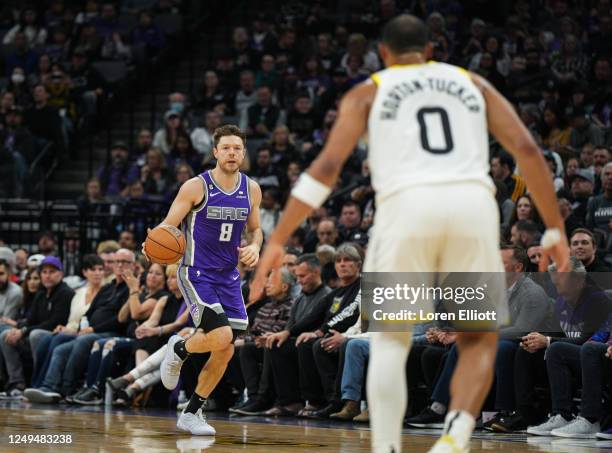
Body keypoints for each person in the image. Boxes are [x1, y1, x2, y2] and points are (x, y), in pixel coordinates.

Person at [253, 14, 569, 453]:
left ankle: (385, 447)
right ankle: (456, 434)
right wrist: (555, 226)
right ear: (431, 52)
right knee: (478, 338)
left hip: (405, 209)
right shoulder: (471, 83)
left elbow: (324, 171)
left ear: (382, 53)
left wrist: (277, 238)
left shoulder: (369, 90)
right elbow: (529, 151)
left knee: (389, 341)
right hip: (470, 208)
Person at [146, 125, 262, 435]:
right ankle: (180, 349)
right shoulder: (196, 187)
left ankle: (192, 412)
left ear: (243, 152)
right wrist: (156, 241)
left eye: (237, 148)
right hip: (196, 273)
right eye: (226, 148)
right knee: (222, 336)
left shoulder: (251, 189)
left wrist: (254, 246)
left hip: (228, 277)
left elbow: (256, 229)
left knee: (225, 348)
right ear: (215, 151)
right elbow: (169, 226)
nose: (232, 153)